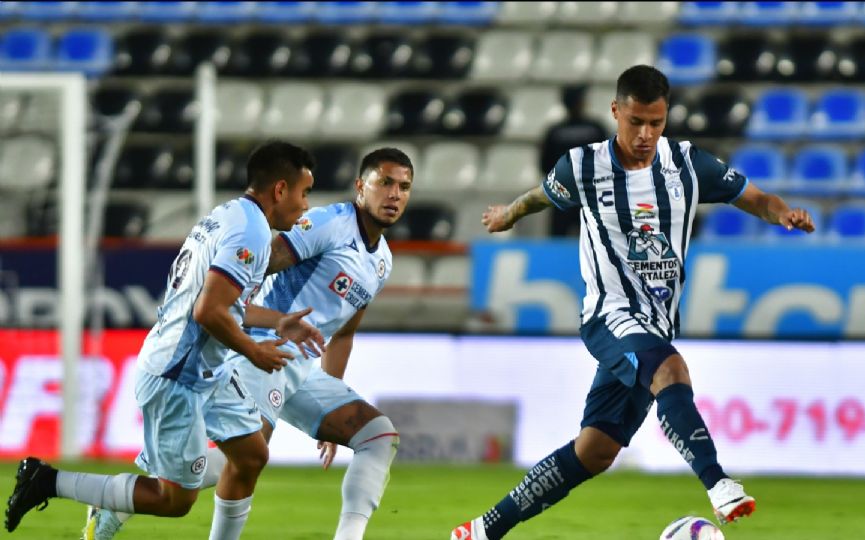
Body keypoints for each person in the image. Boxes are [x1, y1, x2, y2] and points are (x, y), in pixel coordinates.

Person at [451, 65, 816, 540]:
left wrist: (782, 213)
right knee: (671, 370)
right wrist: (508, 213)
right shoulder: (582, 166)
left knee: (595, 451)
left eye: (656, 123)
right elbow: (541, 196)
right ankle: (719, 482)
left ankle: (482, 530)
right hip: (608, 315)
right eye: (635, 122)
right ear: (615, 112)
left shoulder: (688, 164)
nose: (645, 135)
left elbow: (754, 196)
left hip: (655, 322)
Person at [83, 147, 414, 540]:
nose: (394, 194)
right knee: (244, 459)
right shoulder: (329, 223)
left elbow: (342, 333)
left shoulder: (383, 261)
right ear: (361, 187)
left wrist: (329, 410)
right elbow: (265, 259)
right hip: (265, 351)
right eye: (385, 183)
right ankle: (120, 499)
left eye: (404, 187)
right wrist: (238, 314)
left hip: (301, 369)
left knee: (378, 436)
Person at [5, 140, 324, 540]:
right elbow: (207, 312)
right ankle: (47, 480)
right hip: (177, 375)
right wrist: (253, 350)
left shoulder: (229, 215)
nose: (306, 204)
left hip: (205, 368)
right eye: (304, 192)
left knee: (251, 455)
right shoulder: (252, 233)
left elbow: (224, 304)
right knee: (173, 500)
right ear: (280, 189)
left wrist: (278, 323)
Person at [540, 85, 609, 238]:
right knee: (596, 242)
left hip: (562, 195)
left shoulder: (554, 131)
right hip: (591, 194)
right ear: (582, 103)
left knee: (559, 242)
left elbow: (544, 166)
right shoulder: (596, 128)